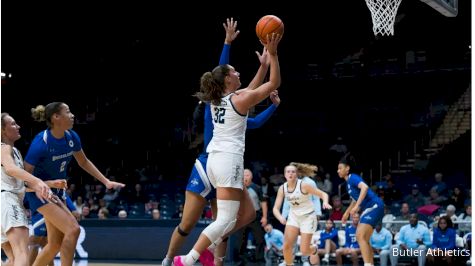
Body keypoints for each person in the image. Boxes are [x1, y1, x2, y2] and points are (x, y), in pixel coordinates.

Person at [162, 18, 281, 266]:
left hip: (216, 159)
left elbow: (248, 89)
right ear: (226, 80)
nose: (238, 72)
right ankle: (187, 258)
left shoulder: (221, 99)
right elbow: (270, 83)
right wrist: (272, 53)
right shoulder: (233, 99)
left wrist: (262, 66)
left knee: (247, 214)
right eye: (234, 71)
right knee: (217, 220)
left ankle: (206, 246)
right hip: (222, 161)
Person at [24, 103, 125, 265]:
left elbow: (83, 162)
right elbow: (25, 178)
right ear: (56, 117)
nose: (72, 115)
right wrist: (48, 184)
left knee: (55, 244)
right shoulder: (40, 142)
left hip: (57, 193)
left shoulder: (71, 137)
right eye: (68, 112)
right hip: (39, 193)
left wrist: (106, 181)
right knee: (73, 229)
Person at [1, 113, 51, 266]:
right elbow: (10, 169)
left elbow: (20, 183)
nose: (18, 126)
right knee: (23, 253)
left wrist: (48, 184)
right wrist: (36, 181)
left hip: (5, 203)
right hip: (8, 201)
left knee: (14, 259)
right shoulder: (4, 148)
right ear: (2, 131)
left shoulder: (14, 151)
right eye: (13, 124)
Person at [273, 164, 332, 266]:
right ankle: (289, 264)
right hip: (293, 217)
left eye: (293, 172)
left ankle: (313, 249)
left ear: (297, 174)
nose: (290, 174)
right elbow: (275, 208)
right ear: (284, 175)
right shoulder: (282, 188)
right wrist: (280, 217)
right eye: (288, 172)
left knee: (304, 250)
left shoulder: (304, 185)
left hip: (308, 217)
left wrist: (325, 203)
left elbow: (323, 194)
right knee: (287, 246)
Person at [338, 153, 384, 266]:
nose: (338, 171)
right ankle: (370, 264)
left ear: (347, 168)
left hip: (374, 205)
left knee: (360, 236)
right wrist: (346, 213)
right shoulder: (348, 184)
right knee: (364, 239)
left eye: (340, 168)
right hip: (373, 207)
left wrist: (357, 206)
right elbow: (354, 200)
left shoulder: (353, 177)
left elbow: (365, 187)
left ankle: (367, 264)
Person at [29, 194, 81, 266]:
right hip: (43, 204)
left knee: (54, 244)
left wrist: (71, 207)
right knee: (36, 241)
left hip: (57, 201)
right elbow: (30, 185)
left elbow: (63, 191)